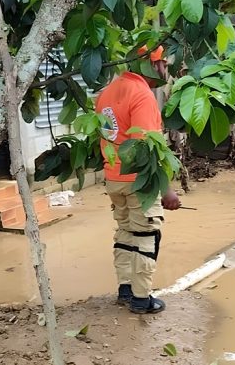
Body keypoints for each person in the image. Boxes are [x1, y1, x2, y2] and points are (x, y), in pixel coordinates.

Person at [95, 45, 181, 314]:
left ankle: (125, 289)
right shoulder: (142, 94)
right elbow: (147, 148)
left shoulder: (107, 92)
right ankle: (142, 299)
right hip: (138, 180)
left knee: (125, 232)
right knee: (146, 234)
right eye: (164, 64)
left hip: (113, 177)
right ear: (153, 64)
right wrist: (166, 190)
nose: (166, 70)